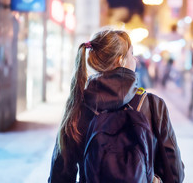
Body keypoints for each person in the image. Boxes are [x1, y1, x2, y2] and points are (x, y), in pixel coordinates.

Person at [48, 29, 184, 183]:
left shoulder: (77, 107)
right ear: (120, 60)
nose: (135, 60)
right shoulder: (153, 105)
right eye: (131, 54)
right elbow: (174, 173)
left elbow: (59, 177)